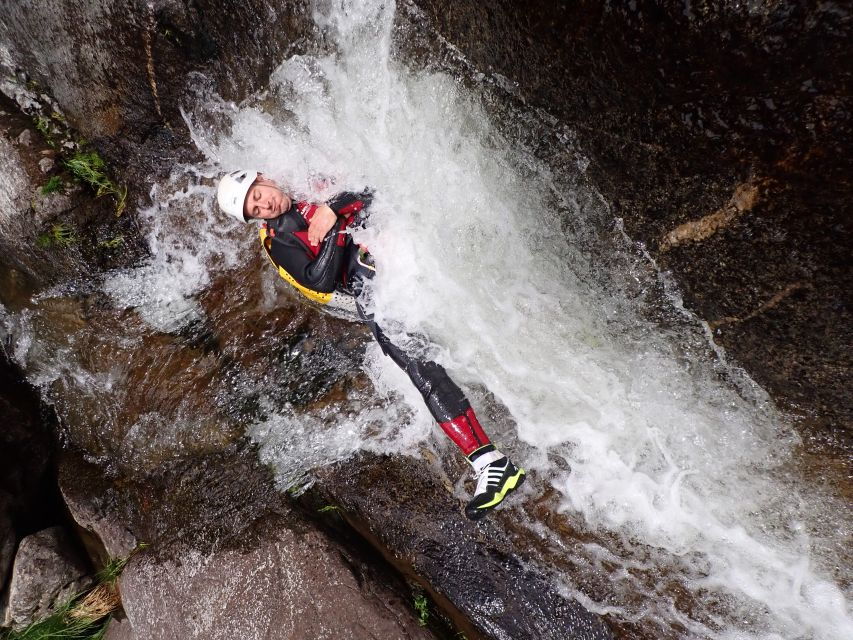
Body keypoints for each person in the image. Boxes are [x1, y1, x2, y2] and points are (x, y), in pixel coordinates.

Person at [217, 169, 525, 520]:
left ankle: (492, 460)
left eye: (257, 196)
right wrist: (334, 231)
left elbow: (371, 182)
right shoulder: (277, 240)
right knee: (415, 364)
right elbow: (320, 280)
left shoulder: (299, 172)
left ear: (262, 180)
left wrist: (332, 208)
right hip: (369, 281)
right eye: (255, 211)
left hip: (388, 242)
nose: (264, 206)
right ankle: (490, 462)